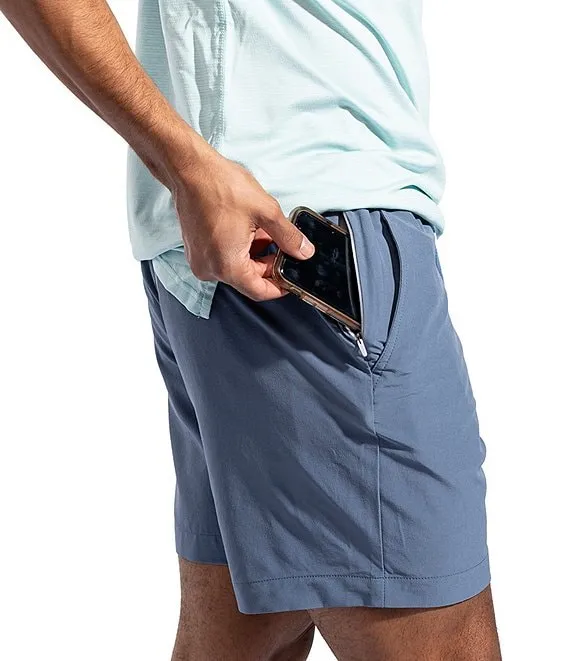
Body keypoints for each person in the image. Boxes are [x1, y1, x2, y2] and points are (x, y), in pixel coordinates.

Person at [1, 1, 502, 659]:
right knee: (439, 639)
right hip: (296, 244)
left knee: (247, 634)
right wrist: (187, 165)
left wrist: (186, 168)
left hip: (258, 240)